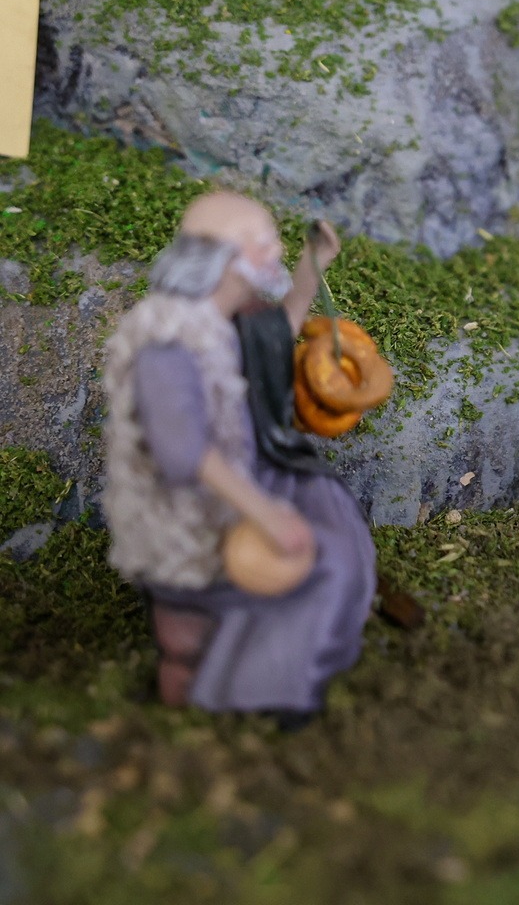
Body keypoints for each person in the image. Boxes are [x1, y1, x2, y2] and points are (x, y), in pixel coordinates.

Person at [102, 192, 376, 730]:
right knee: (326, 564)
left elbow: (276, 334)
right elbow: (182, 453)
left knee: (332, 512)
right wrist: (267, 514)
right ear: (225, 257)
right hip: (191, 518)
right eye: (263, 243)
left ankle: (274, 670)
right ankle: (255, 690)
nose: (275, 250)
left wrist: (312, 266)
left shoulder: (222, 318)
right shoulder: (168, 343)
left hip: (243, 472)